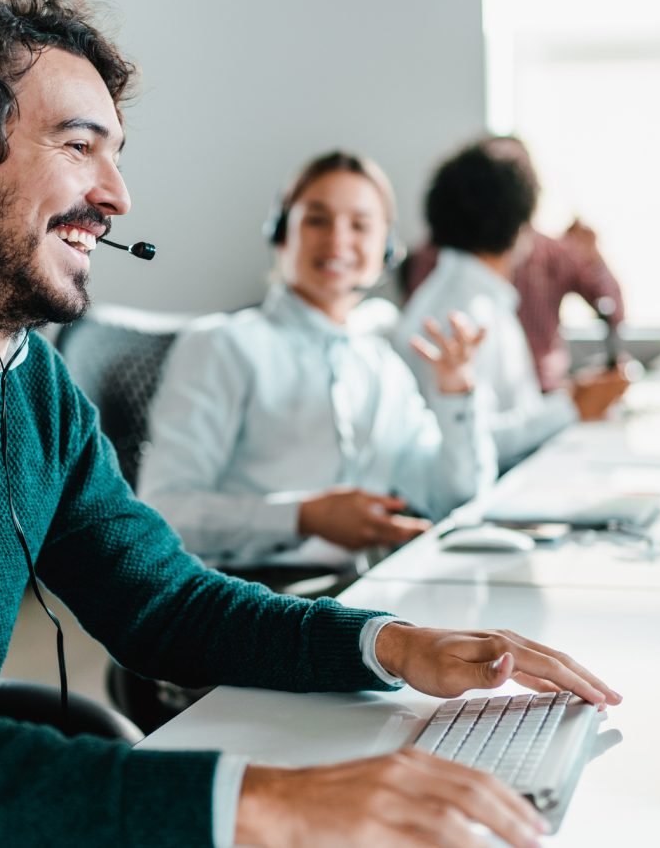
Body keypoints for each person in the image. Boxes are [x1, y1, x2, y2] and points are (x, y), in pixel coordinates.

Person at [0, 0, 621, 848]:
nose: (117, 195)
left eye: (116, 153)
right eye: (78, 144)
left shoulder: (27, 379)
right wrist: (262, 804)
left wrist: (389, 644)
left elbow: (162, 602)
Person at [139, 151, 497, 577]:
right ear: (280, 234)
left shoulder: (381, 366)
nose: (338, 241)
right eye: (317, 220)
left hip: (360, 591)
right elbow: (165, 512)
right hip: (244, 596)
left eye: (360, 225)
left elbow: (451, 497)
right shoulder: (223, 346)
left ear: (386, 249)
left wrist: (456, 394)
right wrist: (303, 516)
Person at [393, 140, 628, 472]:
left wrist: (573, 396)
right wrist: (572, 407)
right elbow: (477, 441)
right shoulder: (467, 313)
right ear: (521, 221)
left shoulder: (464, 292)